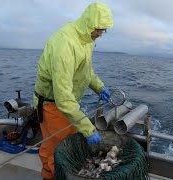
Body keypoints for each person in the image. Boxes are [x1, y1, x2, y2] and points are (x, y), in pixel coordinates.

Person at [33, 2, 113, 179]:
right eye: (99, 29)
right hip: (52, 104)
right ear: (89, 24)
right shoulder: (65, 44)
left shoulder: (86, 39)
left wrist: (99, 86)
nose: (100, 34)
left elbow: (85, 70)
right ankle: (51, 176)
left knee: (61, 143)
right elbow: (63, 98)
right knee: (58, 148)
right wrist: (89, 130)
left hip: (66, 104)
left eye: (104, 30)